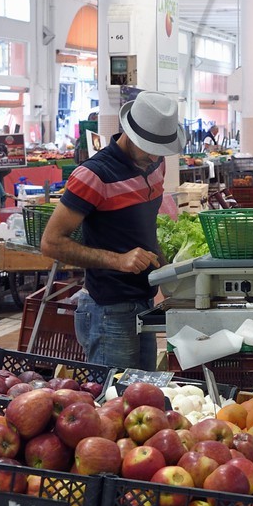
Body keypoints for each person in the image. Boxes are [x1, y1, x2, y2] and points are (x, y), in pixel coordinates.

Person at [41, 92, 182, 371]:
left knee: (141, 399)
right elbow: (51, 243)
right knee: (112, 403)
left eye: (159, 148)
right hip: (107, 310)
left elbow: (145, 229)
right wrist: (118, 260)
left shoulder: (156, 164)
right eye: (148, 147)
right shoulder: (93, 175)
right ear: (129, 134)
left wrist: (169, 275)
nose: (154, 155)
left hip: (144, 302)